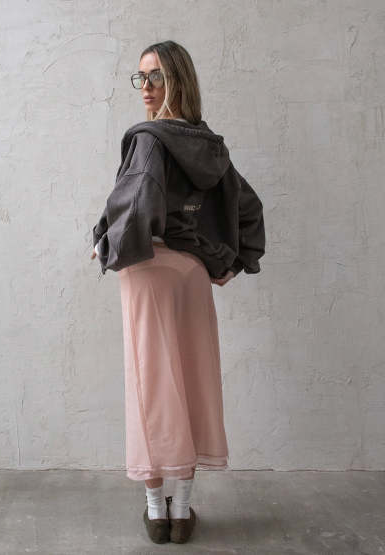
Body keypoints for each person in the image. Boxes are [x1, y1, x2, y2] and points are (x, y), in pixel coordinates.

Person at [91, 40, 265, 544]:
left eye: (156, 77)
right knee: (192, 380)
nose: (145, 88)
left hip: (147, 268)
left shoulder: (149, 139)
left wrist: (106, 247)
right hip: (190, 274)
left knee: (150, 386)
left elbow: (136, 201)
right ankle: (183, 512)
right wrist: (236, 260)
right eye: (140, 77)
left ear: (177, 82)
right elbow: (248, 207)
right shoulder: (208, 145)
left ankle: (157, 510)